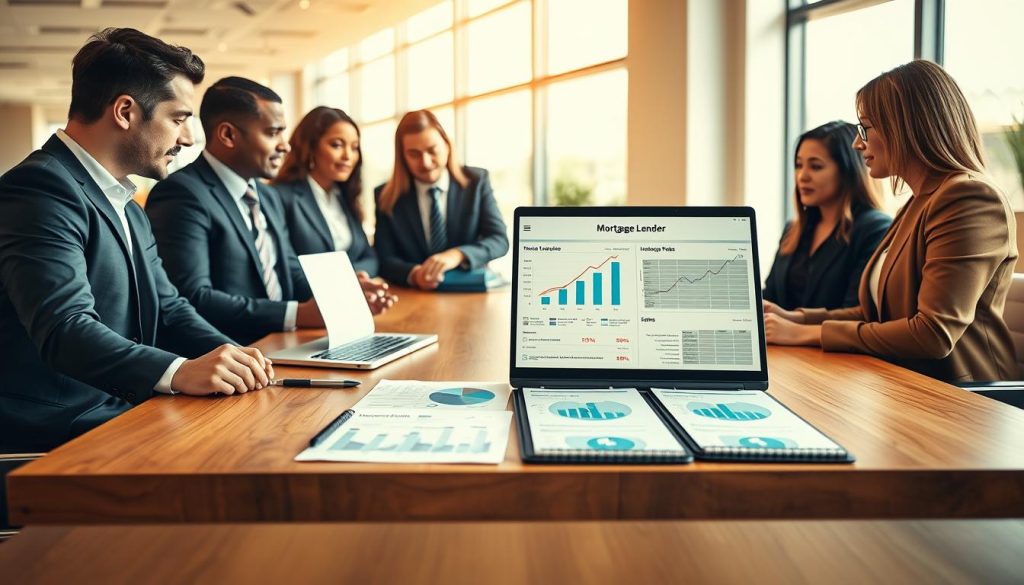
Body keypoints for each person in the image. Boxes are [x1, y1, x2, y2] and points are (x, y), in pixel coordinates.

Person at [0, 29, 274, 452]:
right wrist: (181, 370)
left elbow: (168, 307)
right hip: (54, 428)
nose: (188, 139)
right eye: (179, 119)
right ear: (125, 111)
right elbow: (66, 328)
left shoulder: (125, 201)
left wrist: (236, 356)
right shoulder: (40, 189)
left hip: (114, 407)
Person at [764, 60, 1018, 382]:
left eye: (865, 128)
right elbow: (875, 314)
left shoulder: (969, 199)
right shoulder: (916, 203)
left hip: (963, 397)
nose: (859, 144)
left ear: (905, 126)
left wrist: (807, 334)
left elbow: (932, 333)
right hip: (903, 381)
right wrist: (798, 318)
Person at [146, 77, 394, 346]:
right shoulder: (182, 193)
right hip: (229, 354)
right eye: (273, 133)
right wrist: (297, 314)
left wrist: (344, 292)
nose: (285, 145)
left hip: (285, 341)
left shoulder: (268, 196)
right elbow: (194, 297)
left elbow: (289, 271)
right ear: (228, 135)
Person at [763, 121, 891, 310]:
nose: (802, 176)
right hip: (778, 340)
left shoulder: (874, 229)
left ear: (848, 171)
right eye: (799, 165)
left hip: (830, 340)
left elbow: (857, 312)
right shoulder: (793, 230)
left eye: (815, 166)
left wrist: (791, 325)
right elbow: (771, 296)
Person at [374, 110, 509, 288]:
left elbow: (499, 239)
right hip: (414, 298)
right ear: (403, 157)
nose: (426, 163)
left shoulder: (476, 182)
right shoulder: (386, 195)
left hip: (469, 291)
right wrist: (414, 274)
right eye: (414, 154)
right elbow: (384, 258)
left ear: (447, 145)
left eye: (432, 150)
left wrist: (458, 255)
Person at [272, 106, 378, 276]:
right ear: (311, 147)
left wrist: (359, 278)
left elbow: (370, 257)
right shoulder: (280, 196)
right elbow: (287, 268)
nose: (348, 156)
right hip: (308, 300)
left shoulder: (345, 197)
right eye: (337, 145)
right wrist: (347, 283)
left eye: (354, 147)